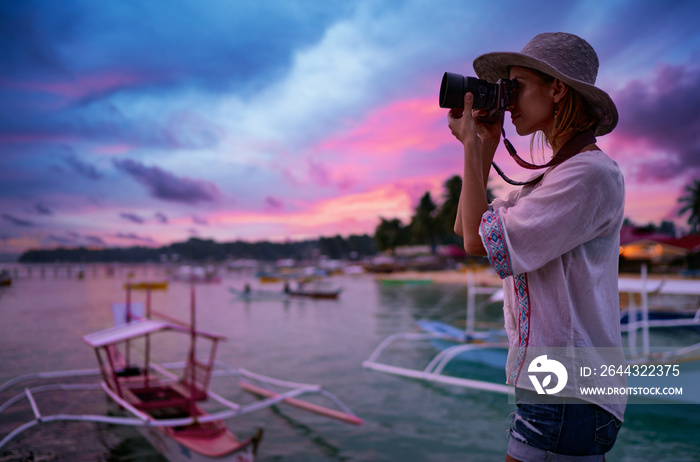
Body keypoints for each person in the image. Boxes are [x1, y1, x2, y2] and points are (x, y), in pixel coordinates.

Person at [447, 32, 626, 461]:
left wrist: (473, 145)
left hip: (566, 394)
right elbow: (465, 228)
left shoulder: (590, 174)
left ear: (557, 89)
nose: (507, 101)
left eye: (517, 87)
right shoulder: (549, 181)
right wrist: (485, 146)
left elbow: (479, 242)